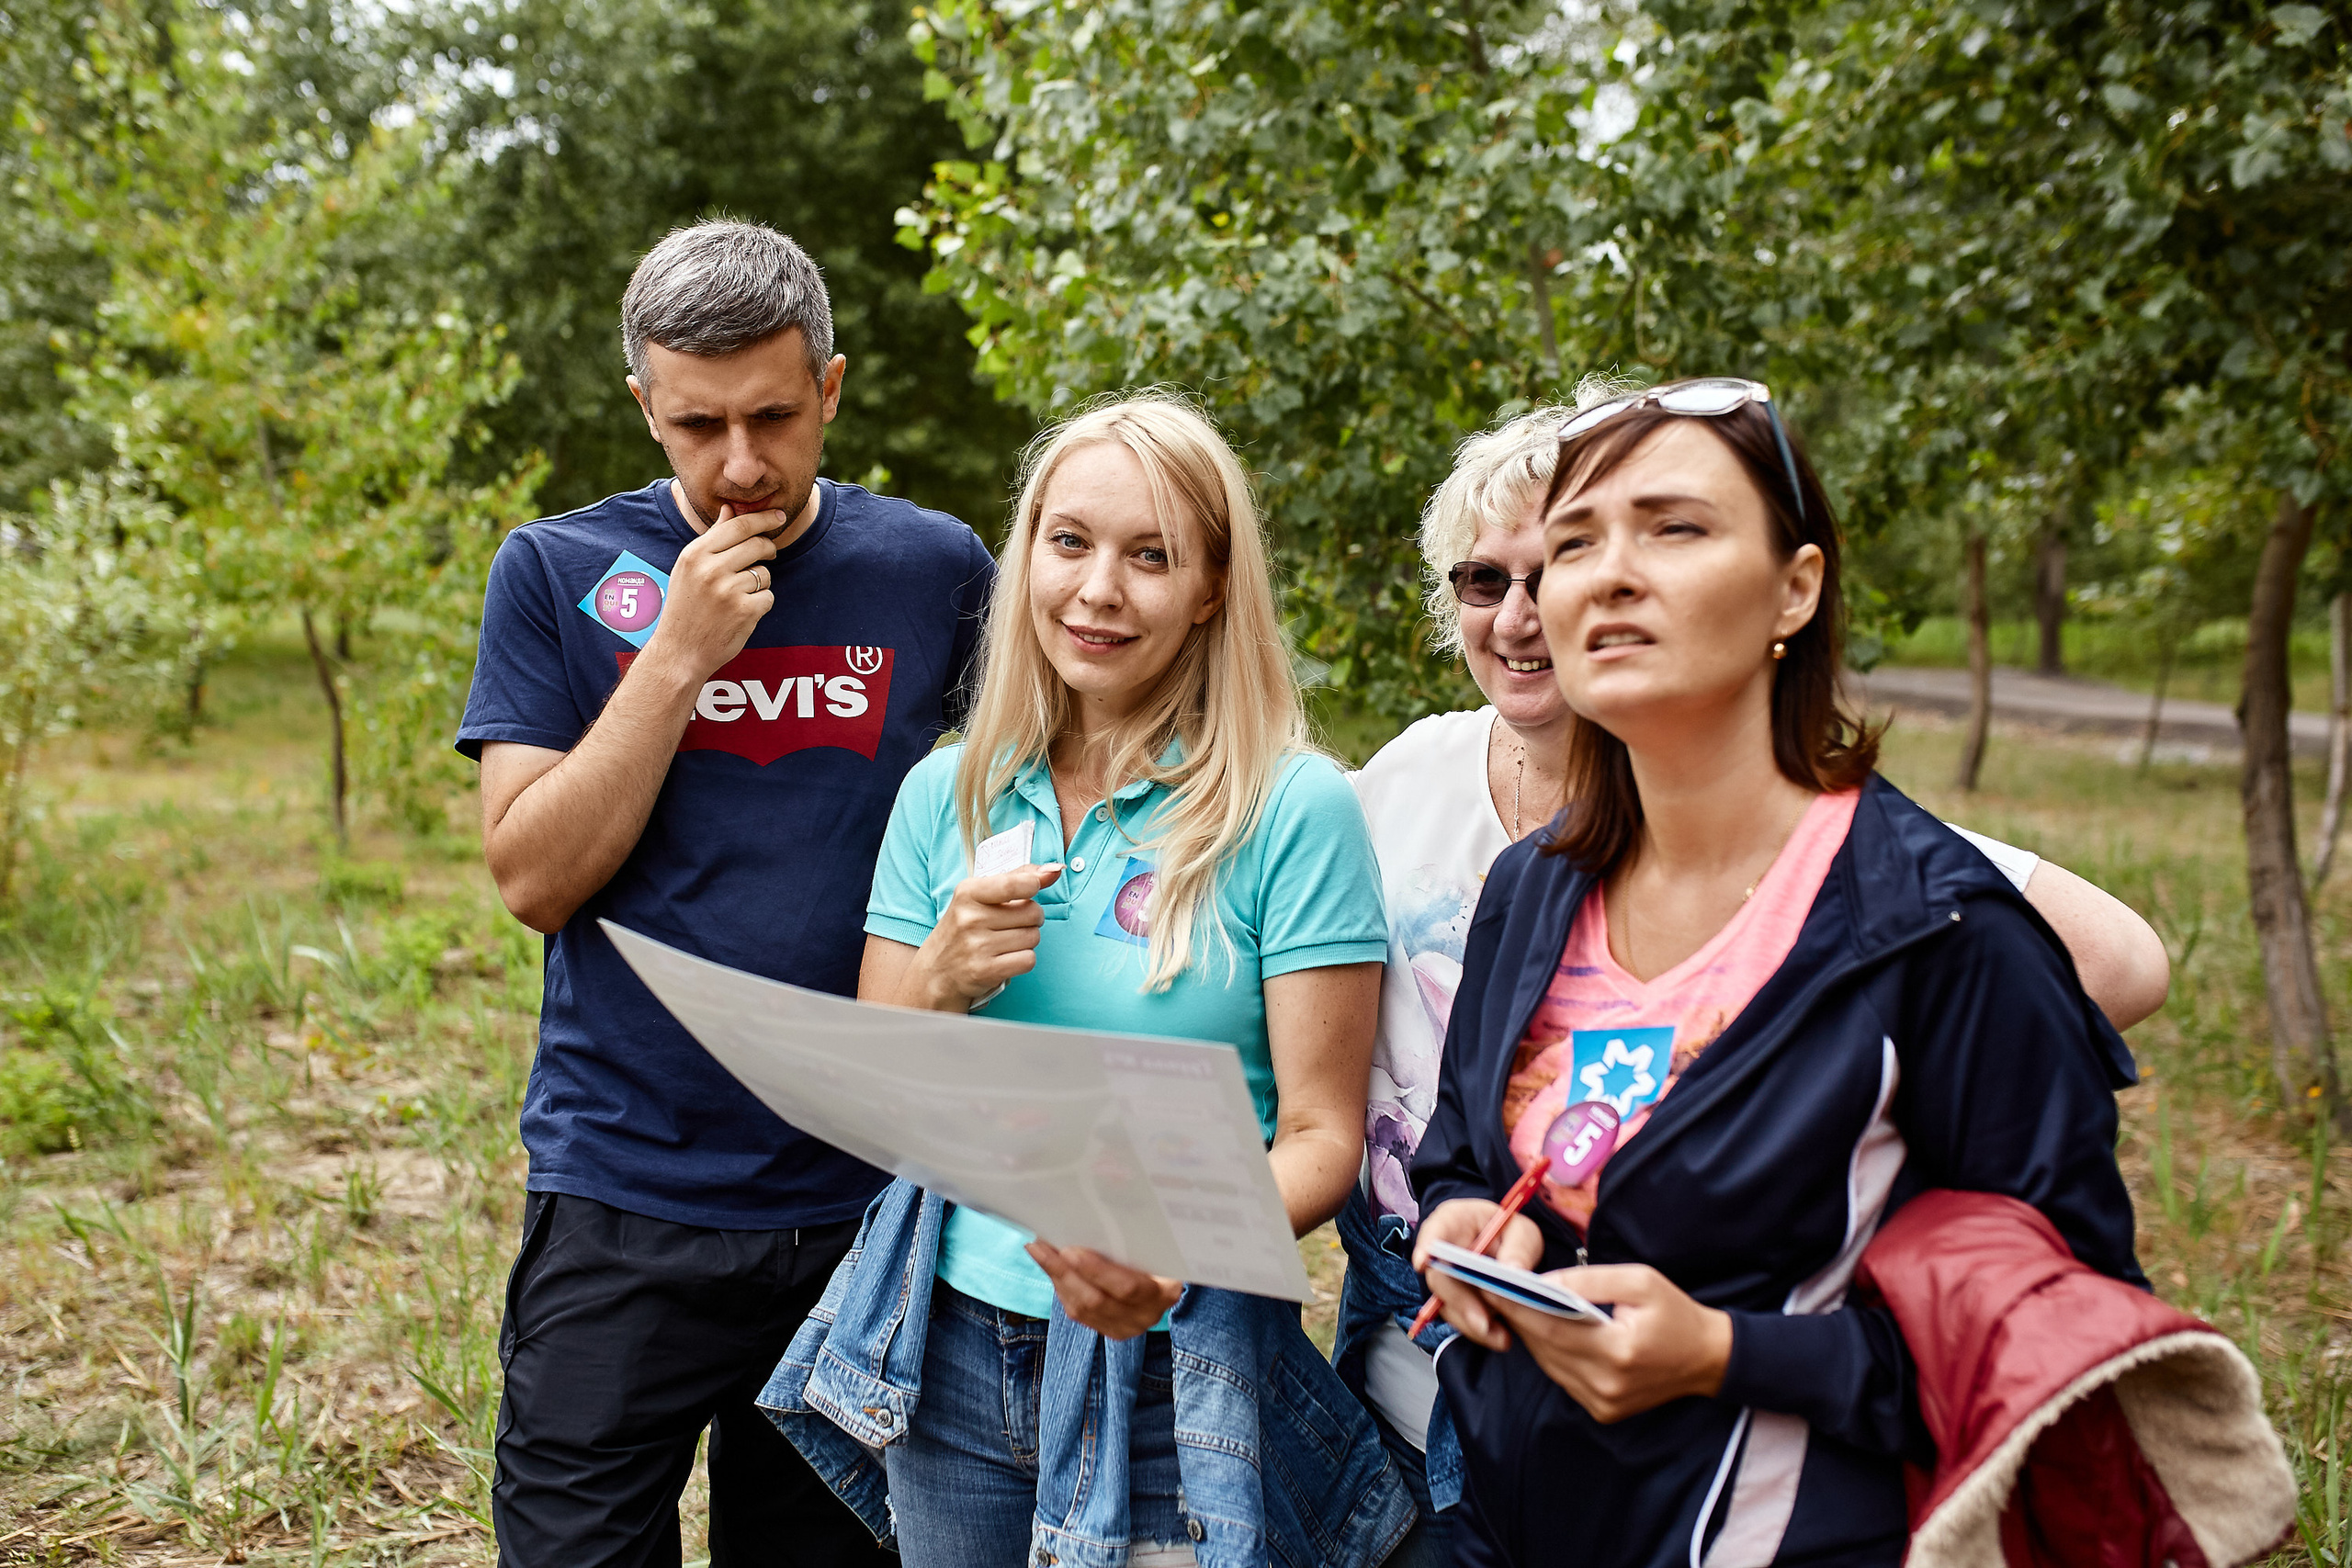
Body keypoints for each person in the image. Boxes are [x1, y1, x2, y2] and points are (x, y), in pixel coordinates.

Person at [1333, 392, 2174, 1562]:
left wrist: (1728, 1354)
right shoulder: (1531, 891)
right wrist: (1470, 1222)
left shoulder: (1936, 932)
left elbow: (2065, 1346)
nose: (1605, 575)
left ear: (1797, 587)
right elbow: (1464, 1158)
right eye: (1575, 541)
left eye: (1672, 528)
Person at [763, 394, 1415, 1567]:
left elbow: (1323, 1135)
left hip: (1180, 1356)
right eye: (1069, 542)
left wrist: (1173, 1245)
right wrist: (939, 985)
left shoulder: (1289, 809)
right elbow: (876, 1089)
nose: (1099, 590)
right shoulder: (948, 791)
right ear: (1025, 559)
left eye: (1150, 555)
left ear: (1212, 588)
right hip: (943, 1346)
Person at [456, 219, 996, 1566]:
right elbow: (532, 873)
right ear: (646, 406)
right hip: (623, 1181)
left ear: (832, 385)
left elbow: (1032, 801)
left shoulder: (933, 569)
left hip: (859, 1192)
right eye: (698, 425)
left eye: (772, 414)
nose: (741, 465)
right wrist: (678, 654)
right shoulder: (555, 572)